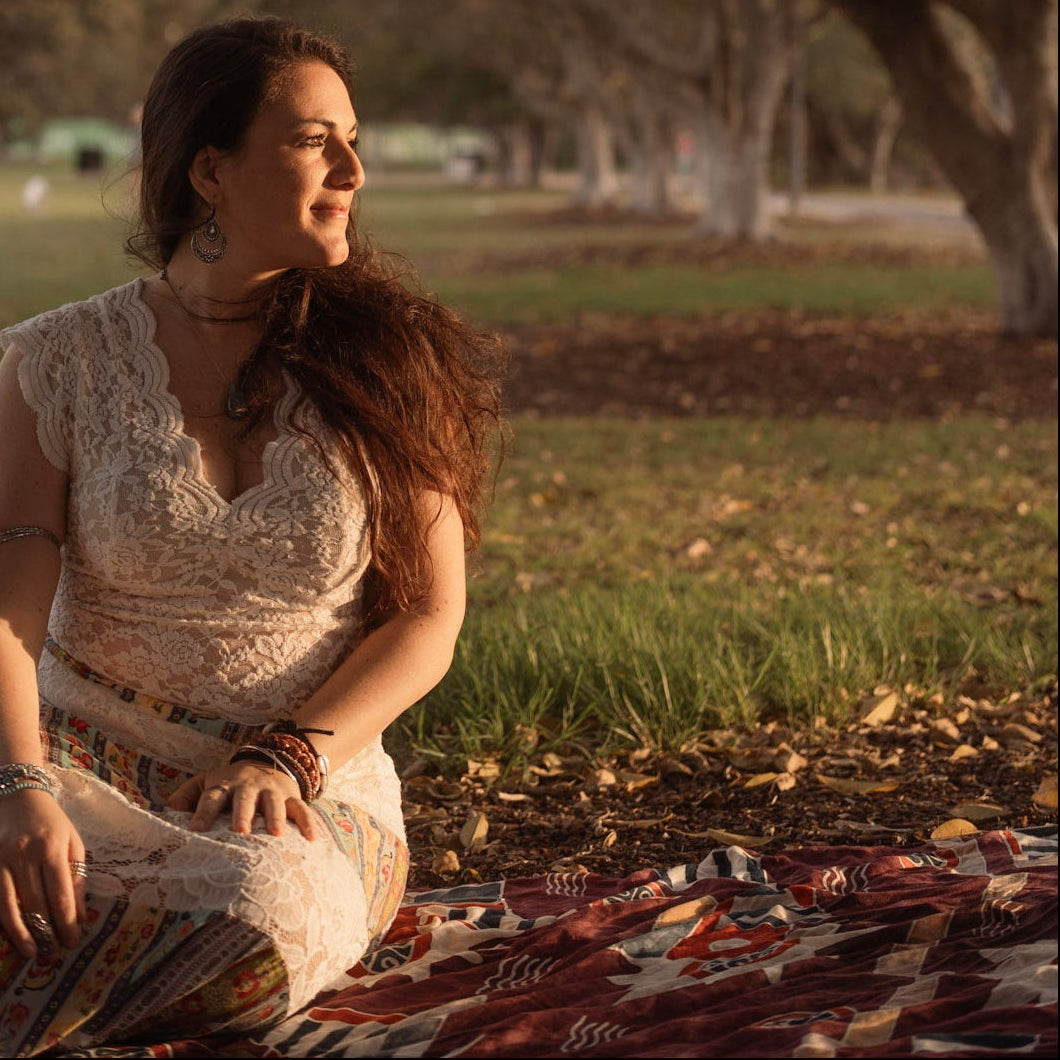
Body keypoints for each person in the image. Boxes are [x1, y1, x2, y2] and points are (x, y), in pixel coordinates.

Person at [0, 15, 503, 1055]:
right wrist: (19, 787)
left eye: (353, 138)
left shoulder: (398, 360)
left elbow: (428, 616)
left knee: (256, 935)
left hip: (301, 786)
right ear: (211, 172)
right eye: (317, 139)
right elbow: (9, 606)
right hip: (82, 750)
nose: (356, 168)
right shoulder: (54, 363)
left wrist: (288, 756)